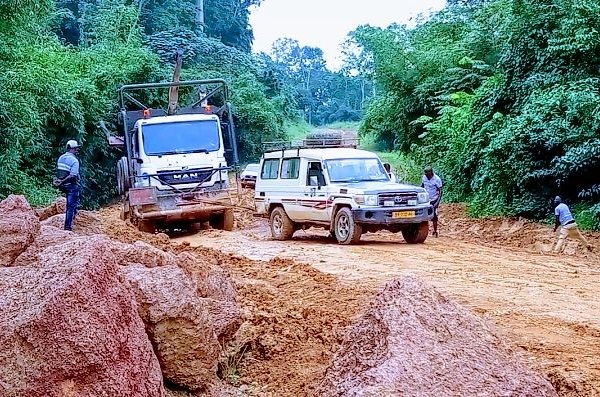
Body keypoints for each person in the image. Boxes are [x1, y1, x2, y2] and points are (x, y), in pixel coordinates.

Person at [54, 140, 81, 231]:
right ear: (73, 149)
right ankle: (68, 227)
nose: (77, 150)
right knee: (70, 207)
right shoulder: (74, 161)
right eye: (76, 148)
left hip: (62, 185)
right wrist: (63, 181)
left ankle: (73, 218)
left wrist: (60, 181)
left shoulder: (61, 158)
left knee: (71, 204)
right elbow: (73, 175)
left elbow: (59, 171)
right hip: (70, 186)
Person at [422, 166, 443, 237]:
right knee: (424, 214)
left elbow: (440, 191)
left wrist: (437, 202)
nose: (426, 175)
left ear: (431, 172)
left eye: (427, 174)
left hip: (434, 199)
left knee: (434, 215)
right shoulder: (424, 177)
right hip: (425, 199)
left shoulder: (437, 179)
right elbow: (422, 186)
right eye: (425, 174)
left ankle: (435, 231)